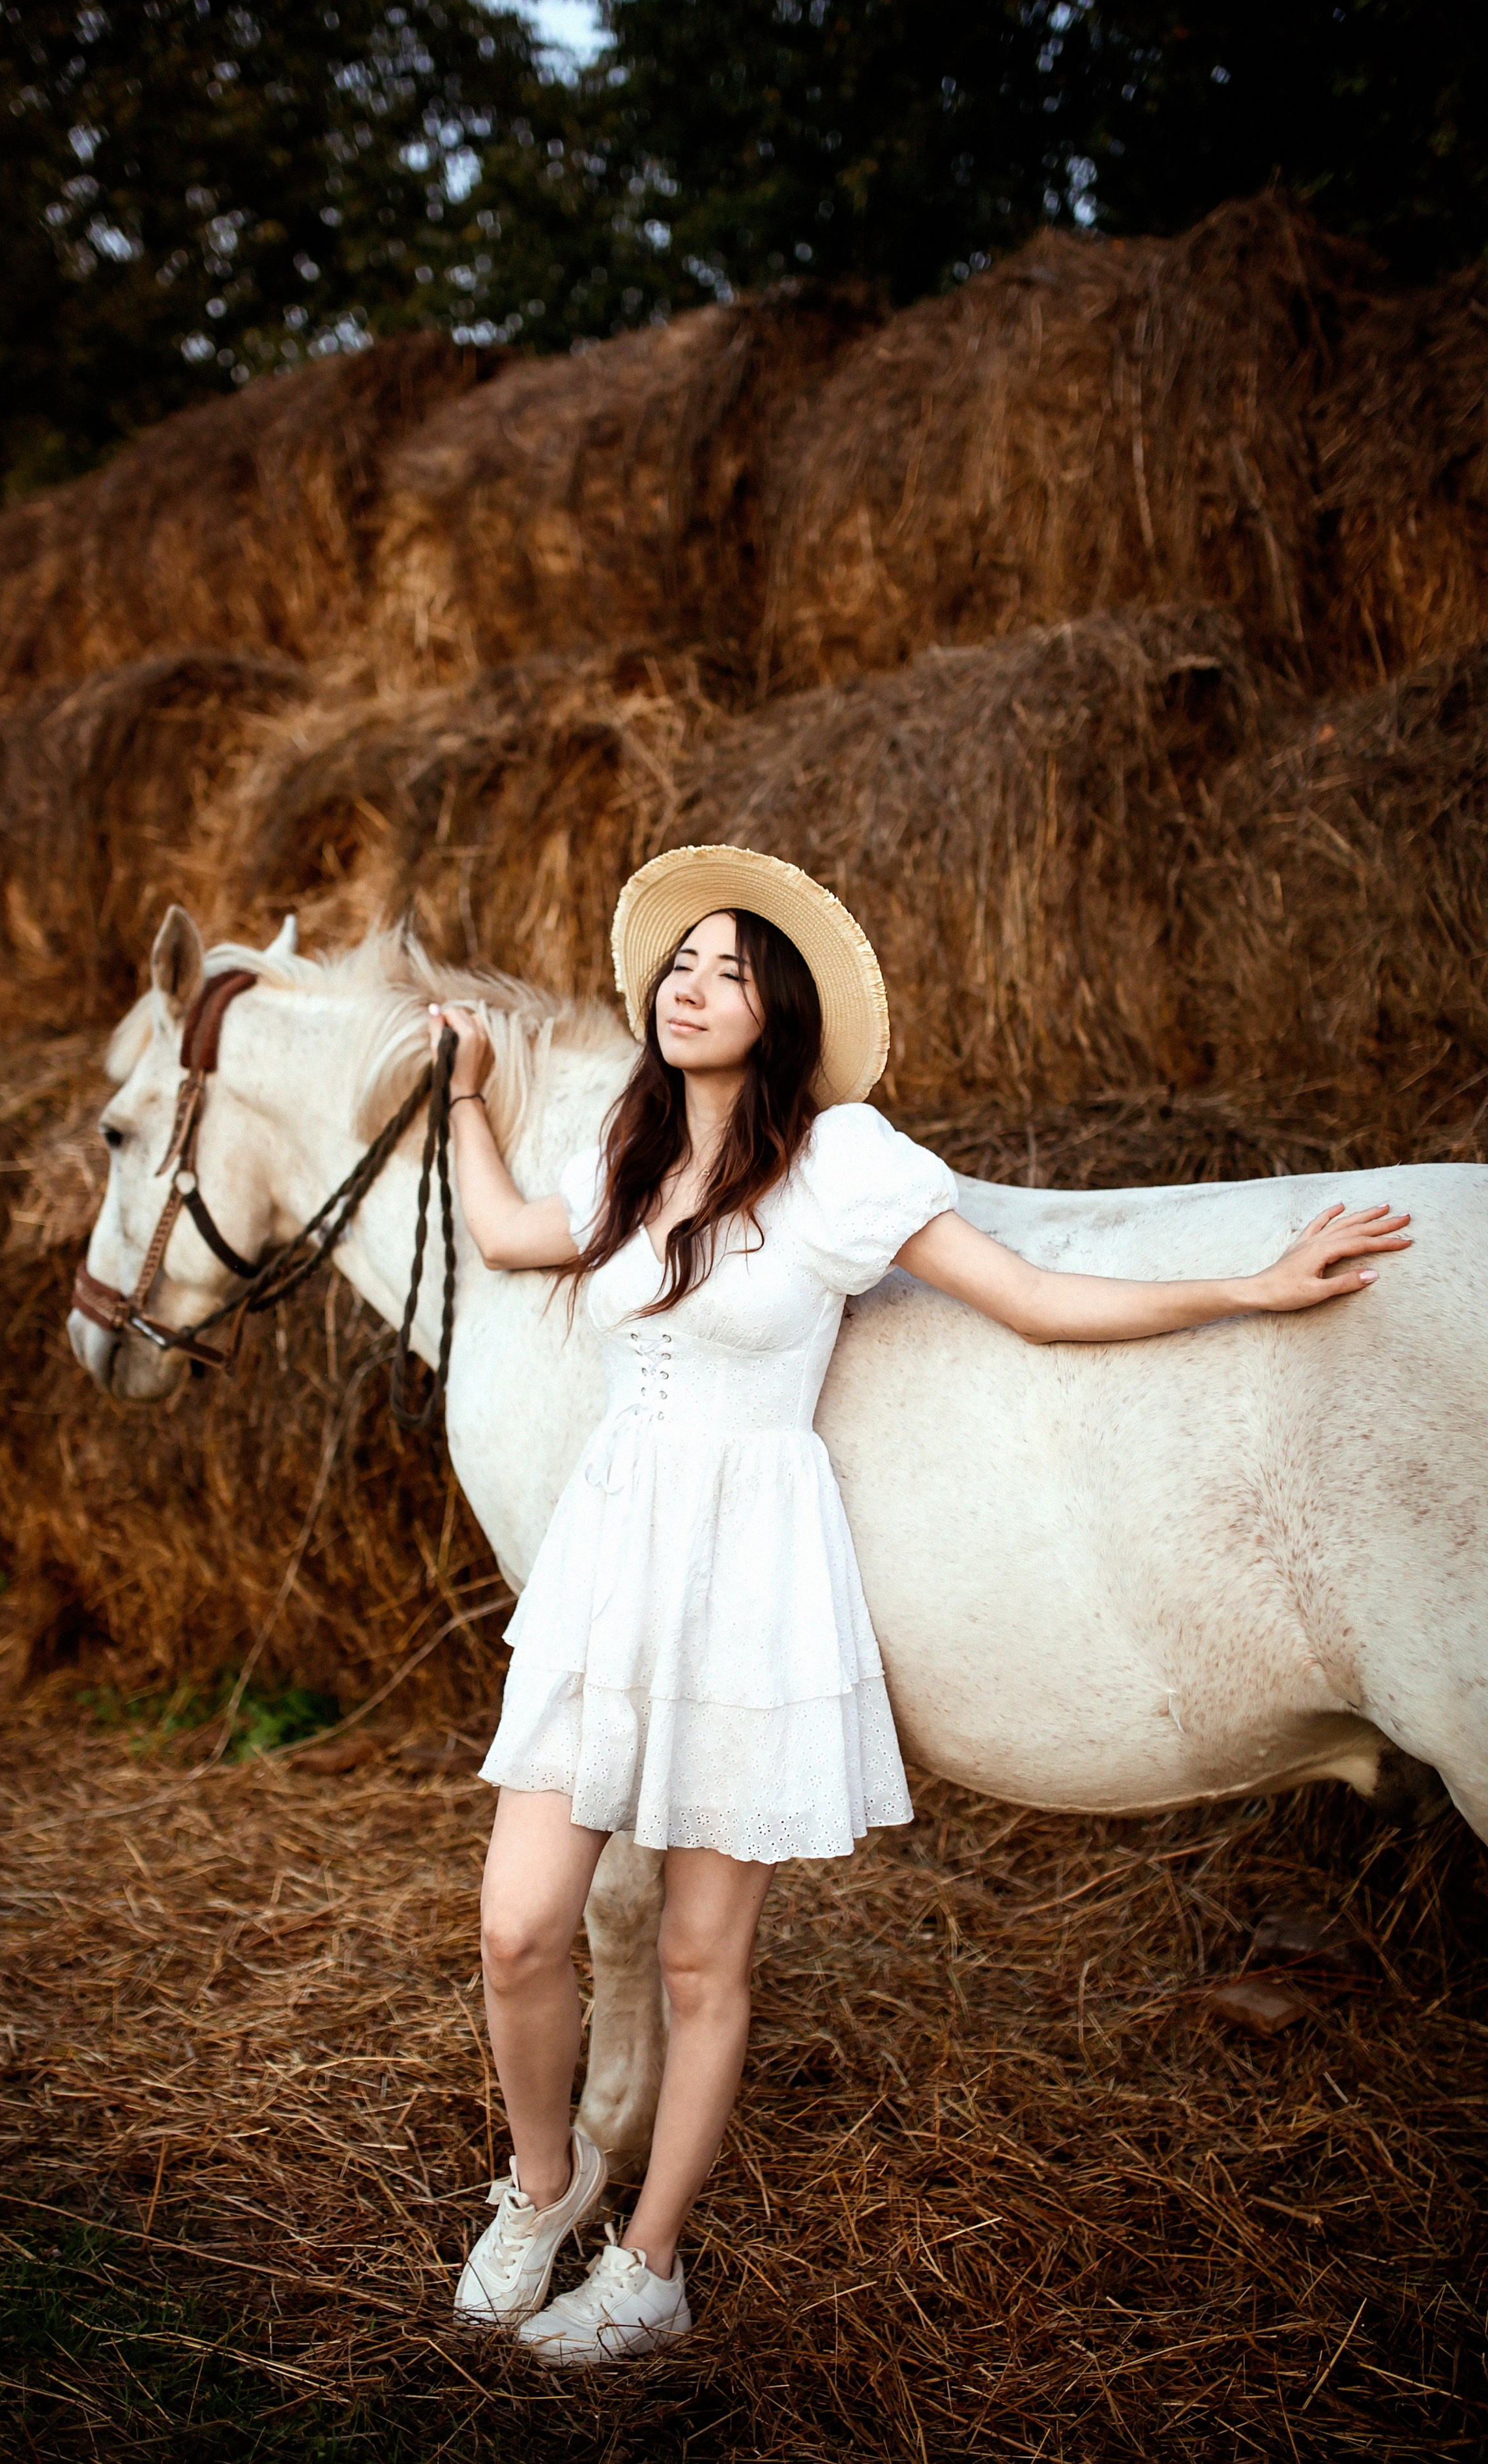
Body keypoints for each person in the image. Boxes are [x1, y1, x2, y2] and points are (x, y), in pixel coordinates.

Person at [430, 843, 1409, 2368]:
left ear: (781, 1015)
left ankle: (648, 2264)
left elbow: (1024, 1295)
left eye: (729, 973)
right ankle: (540, 2189)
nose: (691, 989)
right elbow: (500, 1237)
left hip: (746, 1573)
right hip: (607, 1556)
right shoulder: (626, 1154)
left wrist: (1246, 1290)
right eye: (678, 965)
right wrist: (468, 1094)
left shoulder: (838, 1164)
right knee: (517, 1928)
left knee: (699, 1961)